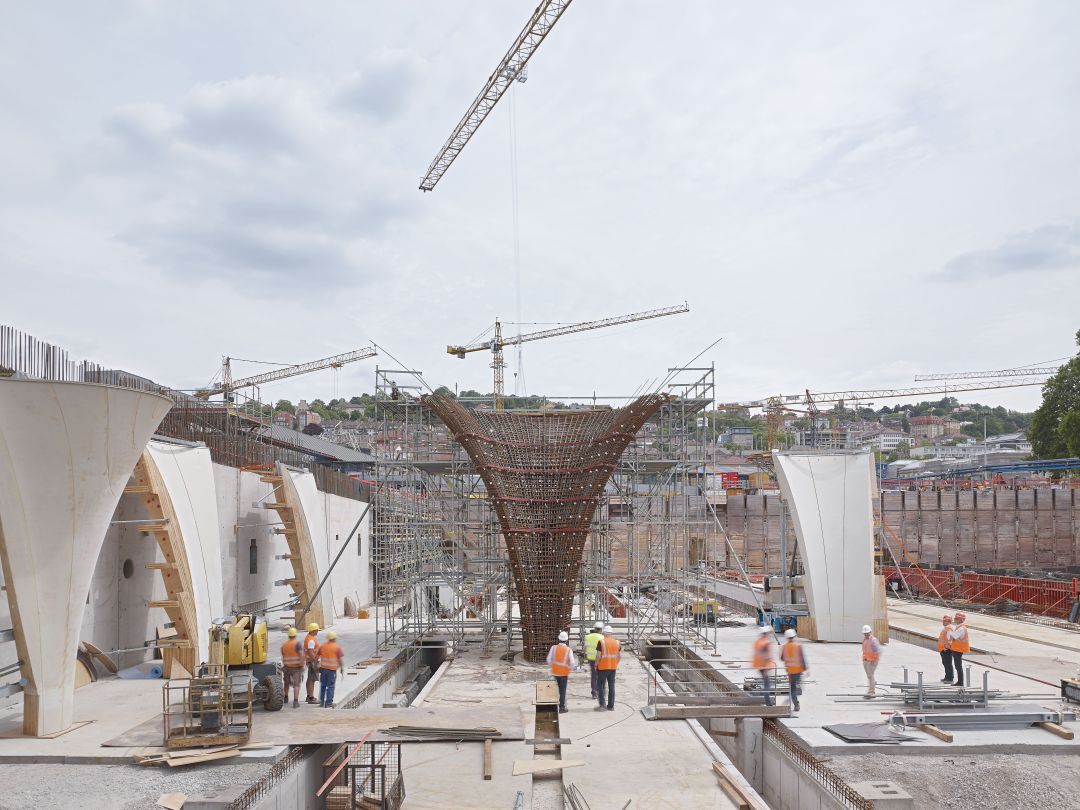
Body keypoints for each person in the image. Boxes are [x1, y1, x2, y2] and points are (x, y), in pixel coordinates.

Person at [546, 630, 579, 713]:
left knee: (554, 690)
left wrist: (553, 667)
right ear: (566, 640)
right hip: (564, 674)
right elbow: (572, 663)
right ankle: (561, 708)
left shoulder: (553, 648)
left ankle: (551, 707)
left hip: (555, 672)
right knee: (562, 691)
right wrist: (574, 668)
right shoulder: (568, 650)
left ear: (558, 639)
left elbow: (548, 660)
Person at [780, 629, 807, 712]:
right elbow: (802, 658)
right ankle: (796, 702)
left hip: (790, 672)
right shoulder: (798, 646)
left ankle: (796, 705)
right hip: (798, 671)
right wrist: (806, 668)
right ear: (794, 637)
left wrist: (781, 650)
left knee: (793, 690)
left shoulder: (784, 647)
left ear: (787, 638)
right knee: (798, 687)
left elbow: (781, 658)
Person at [595, 626, 621, 711]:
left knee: (600, 685)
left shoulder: (601, 642)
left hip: (602, 667)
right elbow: (619, 656)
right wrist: (615, 664)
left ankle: (602, 705)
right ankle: (611, 706)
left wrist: (596, 664)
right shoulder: (617, 642)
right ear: (611, 633)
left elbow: (598, 655)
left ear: (604, 633)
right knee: (611, 686)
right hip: (613, 668)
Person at [280, 627, 306, 708]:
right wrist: (302, 664)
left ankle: (286, 697)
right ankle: (295, 702)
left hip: (287, 667)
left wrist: (285, 664)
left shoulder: (284, 645)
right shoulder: (297, 644)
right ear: (295, 635)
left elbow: (283, 656)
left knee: (286, 683)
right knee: (296, 684)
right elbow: (301, 654)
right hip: (296, 668)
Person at [318, 630, 344, 708]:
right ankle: (329, 702)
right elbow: (339, 659)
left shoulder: (322, 646)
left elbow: (317, 656)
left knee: (323, 685)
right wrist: (342, 668)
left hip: (323, 669)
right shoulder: (336, 647)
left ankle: (322, 702)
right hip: (331, 670)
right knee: (331, 686)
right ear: (334, 638)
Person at [752, 625, 776, 707]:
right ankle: (768, 703)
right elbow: (766, 656)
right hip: (764, 667)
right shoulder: (766, 643)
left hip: (759, 666)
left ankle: (767, 700)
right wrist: (765, 669)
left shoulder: (758, 641)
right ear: (766, 634)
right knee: (767, 685)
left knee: (766, 684)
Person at [584, 621, 604, 698]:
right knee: (600, 676)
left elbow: (585, 648)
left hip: (591, 659)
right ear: (601, 629)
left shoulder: (588, 637)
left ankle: (594, 692)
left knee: (594, 675)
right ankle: (599, 691)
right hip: (600, 659)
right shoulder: (602, 637)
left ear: (594, 628)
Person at [949, 612, 970, 687]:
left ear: (961, 620)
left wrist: (950, 632)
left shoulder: (961, 628)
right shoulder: (959, 627)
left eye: (956, 618)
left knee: (958, 666)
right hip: (957, 649)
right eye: (955, 618)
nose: (955, 620)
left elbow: (953, 636)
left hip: (958, 649)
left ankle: (960, 682)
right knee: (958, 666)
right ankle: (959, 682)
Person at [861, 625, 882, 699]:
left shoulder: (873, 640)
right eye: (865, 633)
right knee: (869, 676)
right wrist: (864, 659)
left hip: (872, 662)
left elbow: (878, 651)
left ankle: (871, 692)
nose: (866, 634)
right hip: (866, 660)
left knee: (870, 676)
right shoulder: (865, 639)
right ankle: (871, 689)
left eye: (867, 633)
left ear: (870, 632)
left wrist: (874, 660)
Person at [303, 623, 321, 705]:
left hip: (309, 661)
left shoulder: (308, 637)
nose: (318, 632)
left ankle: (308, 696)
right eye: (317, 630)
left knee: (310, 679)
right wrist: (315, 662)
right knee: (312, 680)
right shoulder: (311, 640)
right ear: (314, 630)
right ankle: (311, 698)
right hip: (311, 661)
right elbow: (310, 652)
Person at [938, 614, 955, 684]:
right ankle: (947, 677)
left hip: (946, 649)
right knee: (945, 663)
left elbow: (950, 640)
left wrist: (945, 648)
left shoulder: (949, 629)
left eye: (944, 620)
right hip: (944, 649)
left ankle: (950, 678)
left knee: (948, 664)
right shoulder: (946, 628)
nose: (943, 622)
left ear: (948, 621)